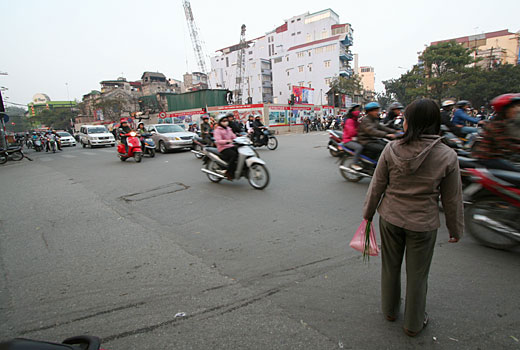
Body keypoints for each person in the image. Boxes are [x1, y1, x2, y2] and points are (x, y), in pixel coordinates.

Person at [362, 98, 463, 337]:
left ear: (413, 123)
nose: (403, 122)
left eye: (405, 118)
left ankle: (389, 311)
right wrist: (455, 229)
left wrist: (367, 215)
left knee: (390, 267)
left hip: (390, 218)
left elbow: (376, 186)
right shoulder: (447, 156)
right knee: (418, 275)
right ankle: (413, 324)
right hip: (422, 224)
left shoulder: (391, 148)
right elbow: (452, 199)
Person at [471, 93, 520, 172]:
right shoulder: (497, 125)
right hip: (488, 159)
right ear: (505, 110)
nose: (517, 110)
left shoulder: (507, 123)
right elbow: (506, 144)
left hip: (498, 158)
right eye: (513, 107)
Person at [213, 114, 238, 180]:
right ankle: (228, 172)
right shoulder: (217, 130)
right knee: (234, 155)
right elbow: (218, 140)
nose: (226, 122)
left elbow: (234, 137)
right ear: (220, 122)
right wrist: (226, 141)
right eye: (224, 121)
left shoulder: (229, 129)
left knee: (240, 151)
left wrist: (240, 138)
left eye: (226, 120)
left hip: (231, 145)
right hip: (223, 147)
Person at [341, 104, 364, 171]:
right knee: (359, 147)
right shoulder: (349, 120)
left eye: (358, 110)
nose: (358, 111)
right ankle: (355, 163)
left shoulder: (355, 120)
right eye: (356, 110)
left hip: (354, 139)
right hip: (348, 140)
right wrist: (359, 132)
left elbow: (360, 127)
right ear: (352, 111)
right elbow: (352, 132)